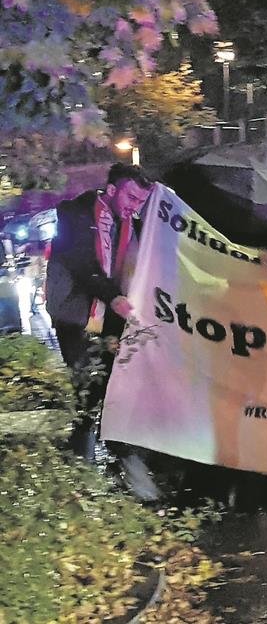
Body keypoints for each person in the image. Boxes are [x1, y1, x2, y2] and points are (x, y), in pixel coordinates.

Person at [46, 163, 160, 498]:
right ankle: (81, 470)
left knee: (115, 389)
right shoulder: (77, 216)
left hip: (111, 320)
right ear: (111, 190)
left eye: (140, 201)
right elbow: (83, 265)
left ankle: (120, 460)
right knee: (87, 388)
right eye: (130, 197)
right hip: (76, 316)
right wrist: (114, 298)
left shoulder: (131, 225)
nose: (134, 206)